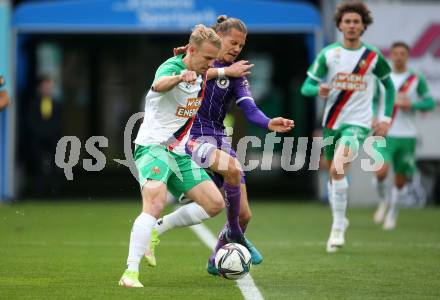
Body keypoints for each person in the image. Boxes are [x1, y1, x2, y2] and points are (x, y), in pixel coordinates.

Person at [145, 16, 294, 274]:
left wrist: (269, 122)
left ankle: (216, 259)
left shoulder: (236, 75)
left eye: (241, 45)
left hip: (218, 138)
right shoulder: (199, 59)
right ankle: (234, 232)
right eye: (233, 42)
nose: (237, 49)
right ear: (218, 37)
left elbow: (249, 108)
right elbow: (193, 73)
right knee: (232, 171)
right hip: (191, 134)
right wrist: (225, 71)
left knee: (245, 214)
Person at [119, 24, 224, 288]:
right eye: (207, 59)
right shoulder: (172, 69)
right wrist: (180, 77)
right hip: (153, 147)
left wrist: (223, 69)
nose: (210, 65)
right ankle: (130, 273)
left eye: (214, 59)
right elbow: (158, 83)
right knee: (153, 204)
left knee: (214, 204)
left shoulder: (201, 69)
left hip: (177, 151)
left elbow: (213, 69)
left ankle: (158, 228)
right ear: (191, 50)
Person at [300, 1, 395, 253]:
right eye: (347, 21)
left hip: (359, 124)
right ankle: (340, 218)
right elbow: (306, 87)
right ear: (340, 24)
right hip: (332, 123)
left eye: (356, 22)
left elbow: (390, 86)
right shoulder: (329, 54)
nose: (352, 26)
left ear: (363, 25)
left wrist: (385, 118)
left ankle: (338, 227)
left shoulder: (373, 56)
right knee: (334, 174)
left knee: (339, 167)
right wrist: (317, 89)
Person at [372, 41, 435, 230]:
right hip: (385, 132)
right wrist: (374, 117)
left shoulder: (416, 79)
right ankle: (383, 201)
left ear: (408, 56)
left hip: (407, 135)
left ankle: (393, 211)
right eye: (396, 53)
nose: (399, 56)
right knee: (380, 171)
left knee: (400, 179)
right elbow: (374, 100)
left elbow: (430, 103)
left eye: (403, 54)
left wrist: (412, 105)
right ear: (390, 55)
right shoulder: (382, 77)